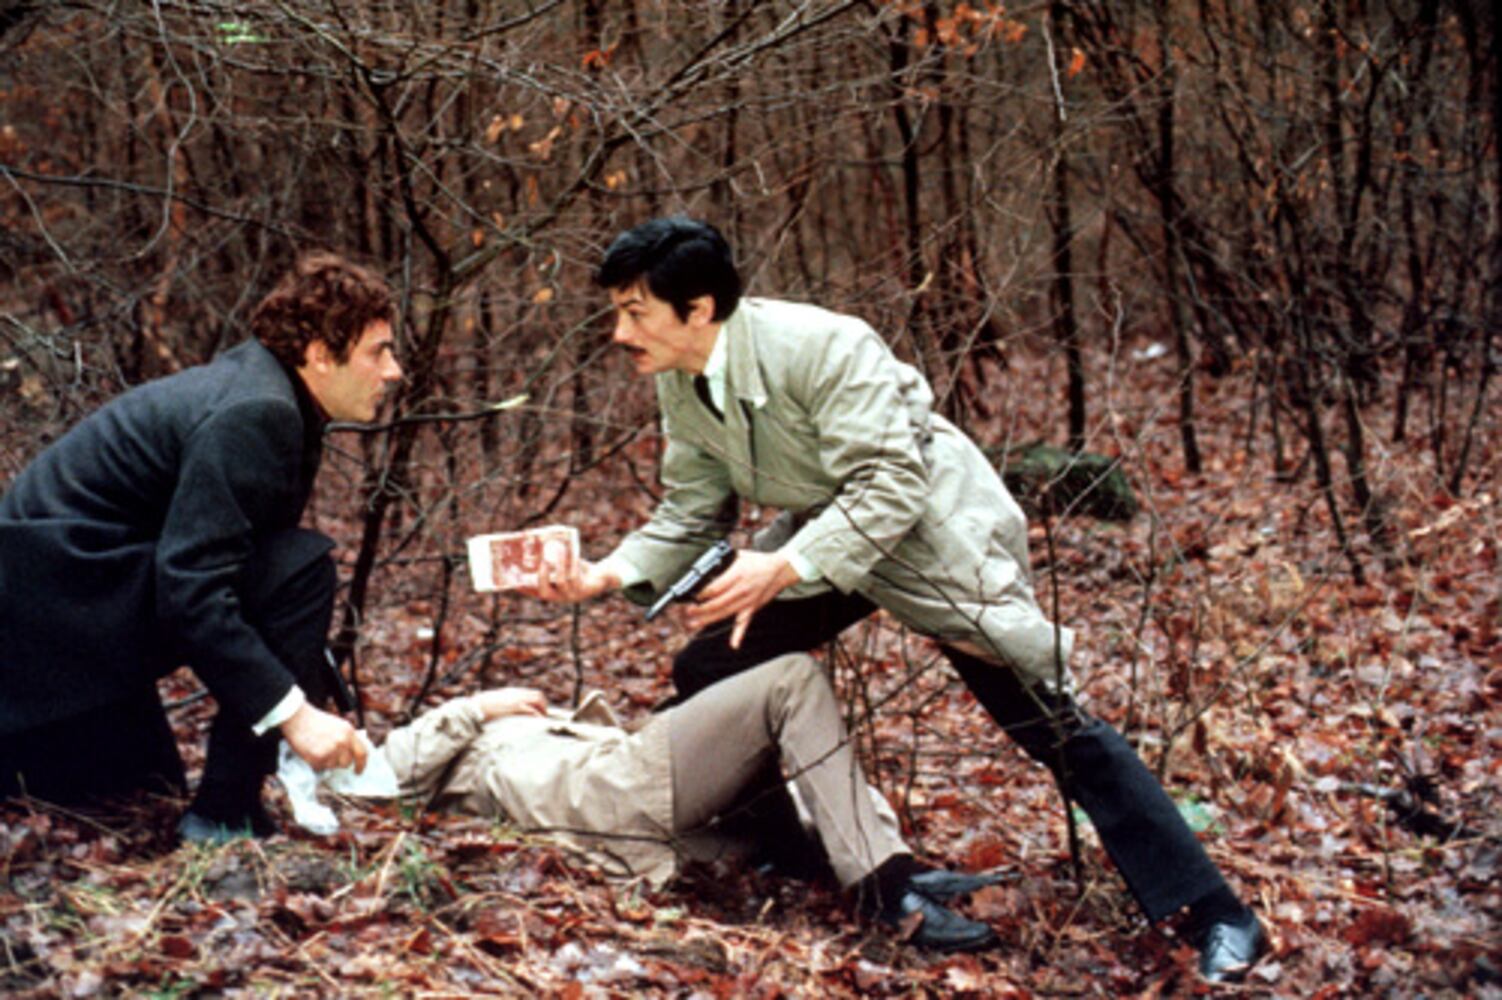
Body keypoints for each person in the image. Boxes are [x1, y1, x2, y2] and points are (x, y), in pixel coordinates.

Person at [528, 217, 1268, 981]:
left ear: (699, 308)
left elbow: (892, 483)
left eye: (635, 312)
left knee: (1050, 724)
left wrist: (784, 565)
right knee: (714, 666)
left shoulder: (822, 346)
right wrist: (602, 575)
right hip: (828, 539)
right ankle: (801, 855)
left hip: (930, 535)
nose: (619, 333)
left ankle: (1219, 913)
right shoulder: (683, 380)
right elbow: (690, 510)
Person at [0, 251, 403, 843]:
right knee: (302, 570)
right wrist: (294, 714)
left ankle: (217, 805)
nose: (393, 371)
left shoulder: (268, 392)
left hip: (70, 604)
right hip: (47, 620)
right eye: (378, 352)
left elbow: (228, 568)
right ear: (320, 354)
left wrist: (308, 696)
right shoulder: (257, 412)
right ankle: (224, 814)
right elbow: (194, 589)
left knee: (144, 787)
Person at [379, 652, 998, 952]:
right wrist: (476, 707)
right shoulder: (398, 751)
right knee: (789, 681)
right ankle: (887, 891)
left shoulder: (471, 744)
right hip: (617, 795)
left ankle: (896, 875)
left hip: (651, 816)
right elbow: (386, 779)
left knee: (819, 789)